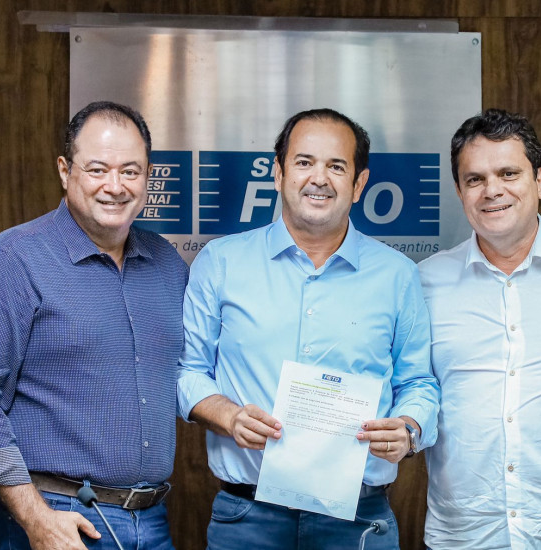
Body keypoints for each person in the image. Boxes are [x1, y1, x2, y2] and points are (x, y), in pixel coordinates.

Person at [176, 108, 439, 550]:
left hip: (359, 519)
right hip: (248, 518)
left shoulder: (397, 275)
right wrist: (229, 417)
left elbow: (419, 383)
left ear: (359, 184)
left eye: (336, 166)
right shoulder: (221, 263)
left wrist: (409, 429)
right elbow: (188, 371)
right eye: (304, 162)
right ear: (278, 173)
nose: (319, 178)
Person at [0, 101, 188, 549]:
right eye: (97, 169)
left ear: (148, 176)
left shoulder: (167, 265)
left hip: (151, 522)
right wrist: (36, 518)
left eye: (131, 171)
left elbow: (194, 373)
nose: (115, 186)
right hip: (52, 520)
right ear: (65, 171)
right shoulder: (13, 260)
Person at [417, 108, 541, 549]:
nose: (493, 190)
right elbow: (411, 387)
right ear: (459, 191)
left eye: (509, 173)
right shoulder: (425, 282)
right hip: (463, 536)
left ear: (539, 180)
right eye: (475, 179)